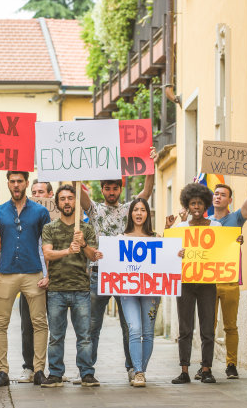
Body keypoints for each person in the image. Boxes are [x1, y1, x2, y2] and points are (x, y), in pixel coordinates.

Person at [80, 147, 157, 384]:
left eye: (115, 188)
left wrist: (151, 166)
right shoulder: (95, 209)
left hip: (125, 277)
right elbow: (81, 196)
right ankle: (87, 371)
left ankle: (133, 368)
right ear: (101, 190)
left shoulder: (128, 209)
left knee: (129, 326)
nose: (111, 192)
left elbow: (146, 192)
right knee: (92, 326)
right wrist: (76, 171)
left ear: (121, 190)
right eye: (107, 188)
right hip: (98, 274)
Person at [0, 171, 51, 387]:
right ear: (7, 184)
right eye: (12, 181)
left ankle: (39, 370)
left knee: (40, 323)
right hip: (6, 273)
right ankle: (3, 371)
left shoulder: (41, 212)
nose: (16, 185)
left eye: (19, 181)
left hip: (33, 273)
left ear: (26, 183)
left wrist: (48, 274)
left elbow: (47, 246)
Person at [40, 185, 102, 388]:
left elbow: (94, 257)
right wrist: (68, 250)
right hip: (56, 289)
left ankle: (86, 373)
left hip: (81, 289)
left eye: (70, 198)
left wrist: (83, 244)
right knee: (56, 336)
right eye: (63, 199)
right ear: (57, 203)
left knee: (84, 337)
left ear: (76, 201)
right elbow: (47, 254)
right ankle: (56, 374)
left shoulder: (85, 228)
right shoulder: (50, 228)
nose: (67, 202)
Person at [206, 158, 247, 380]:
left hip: (229, 280)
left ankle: (231, 365)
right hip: (208, 281)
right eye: (216, 194)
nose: (218, 196)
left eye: (222, 194)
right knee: (208, 327)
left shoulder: (236, 218)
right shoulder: (205, 223)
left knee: (230, 326)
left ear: (229, 200)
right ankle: (206, 366)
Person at [120, 198, 185, 387]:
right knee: (134, 329)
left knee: (148, 333)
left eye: (143, 210)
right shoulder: (120, 238)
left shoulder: (156, 238)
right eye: (136, 210)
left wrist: (176, 253)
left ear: (148, 214)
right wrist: (102, 256)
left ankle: (141, 372)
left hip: (151, 291)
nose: (139, 213)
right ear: (130, 213)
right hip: (127, 291)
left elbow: (166, 255)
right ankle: (138, 371)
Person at [167, 183, 222, 385]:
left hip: (208, 282)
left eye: (199, 203)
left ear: (205, 204)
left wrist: (236, 242)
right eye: (192, 203)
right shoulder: (180, 229)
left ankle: (206, 369)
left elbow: (223, 250)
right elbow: (168, 251)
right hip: (186, 283)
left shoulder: (217, 227)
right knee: (185, 328)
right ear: (187, 206)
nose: (196, 207)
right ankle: (184, 371)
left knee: (207, 328)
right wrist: (176, 251)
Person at [18, 179, 52, 383]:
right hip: (29, 277)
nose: (37, 196)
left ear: (50, 195)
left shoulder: (58, 220)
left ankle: (54, 368)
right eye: (34, 192)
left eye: (41, 192)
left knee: (55, 326)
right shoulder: (24, 218)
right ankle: (29, 367)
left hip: (54, 279)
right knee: (27, 324)